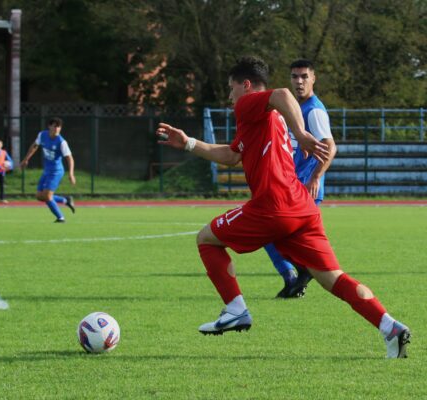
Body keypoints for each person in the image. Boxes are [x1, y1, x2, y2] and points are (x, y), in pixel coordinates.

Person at [156, 56, 410, 358]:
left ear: (246, 85)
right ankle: (389, 326)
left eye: (231, 88)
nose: (229, 95)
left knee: (206, 239)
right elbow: (231, 155)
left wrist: (302, 134)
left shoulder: (248, 104)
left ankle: (235, 309)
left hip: (272, 205)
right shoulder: (263, 117)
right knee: (332, 278)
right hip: (302, 208)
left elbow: (282, 94)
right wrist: (188, 143)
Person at [264, 59, 337, 298]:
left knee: (270, 232)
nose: (299, 81)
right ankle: (297, 276)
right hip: (290, 188)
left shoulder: (314, 110)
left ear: (313, 78)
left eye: (304, 76)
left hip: (304, 189)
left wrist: (315, 177)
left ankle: (299, 274)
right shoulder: (294, 107)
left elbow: (330, 147)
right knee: (275, 235)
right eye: (294, 77)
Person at [20, 117, 76, 222]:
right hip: (47, 170)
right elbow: (34, 146)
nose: (56, 128)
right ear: (49, 126)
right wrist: (25, 159)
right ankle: (65, 200)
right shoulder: (42, 135)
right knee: (39, 196)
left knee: (47, 196)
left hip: (56, 172)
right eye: (54, 126)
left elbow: (70, 158)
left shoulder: (62, 142)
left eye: (58, 127)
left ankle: (60, 218)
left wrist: (71, 173)